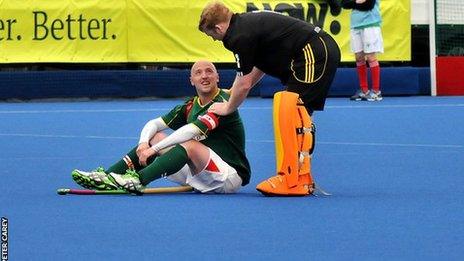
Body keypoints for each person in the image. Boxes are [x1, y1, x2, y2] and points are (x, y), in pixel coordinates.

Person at [198, 1, 341, 196]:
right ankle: (300, 177)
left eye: (211, 35)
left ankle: (291, 179)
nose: (214, 39)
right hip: (317, 50)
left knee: (292, 111)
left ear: (219, 27)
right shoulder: (244, 25)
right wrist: (232, 91)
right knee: (301, 114)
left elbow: (245, 82)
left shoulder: (237, 36)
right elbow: (259, 65)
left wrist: (228, 107)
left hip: (312, 52)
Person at [71, 60, 250, 194]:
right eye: (198, 72)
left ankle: (138, 180)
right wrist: (144, 144)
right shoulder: (189, 105)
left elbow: (192, 131)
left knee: (190, 145)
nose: (204, 76)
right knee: (155, 136)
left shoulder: (224, 103)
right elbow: (153, 124)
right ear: (191, 80)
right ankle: (108, 177)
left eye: (209, 71)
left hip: (228, 177)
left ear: (217, 77)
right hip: (200, 173)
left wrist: (154, 150)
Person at [342, 0, 383, 101]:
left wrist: (353, 3)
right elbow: (344, 4)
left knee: (370, 57)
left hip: (370, 24)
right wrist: (357, 2)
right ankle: (364, 90)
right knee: (359, 58)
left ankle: (376, 91)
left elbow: (368, 5)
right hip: (355, 25)